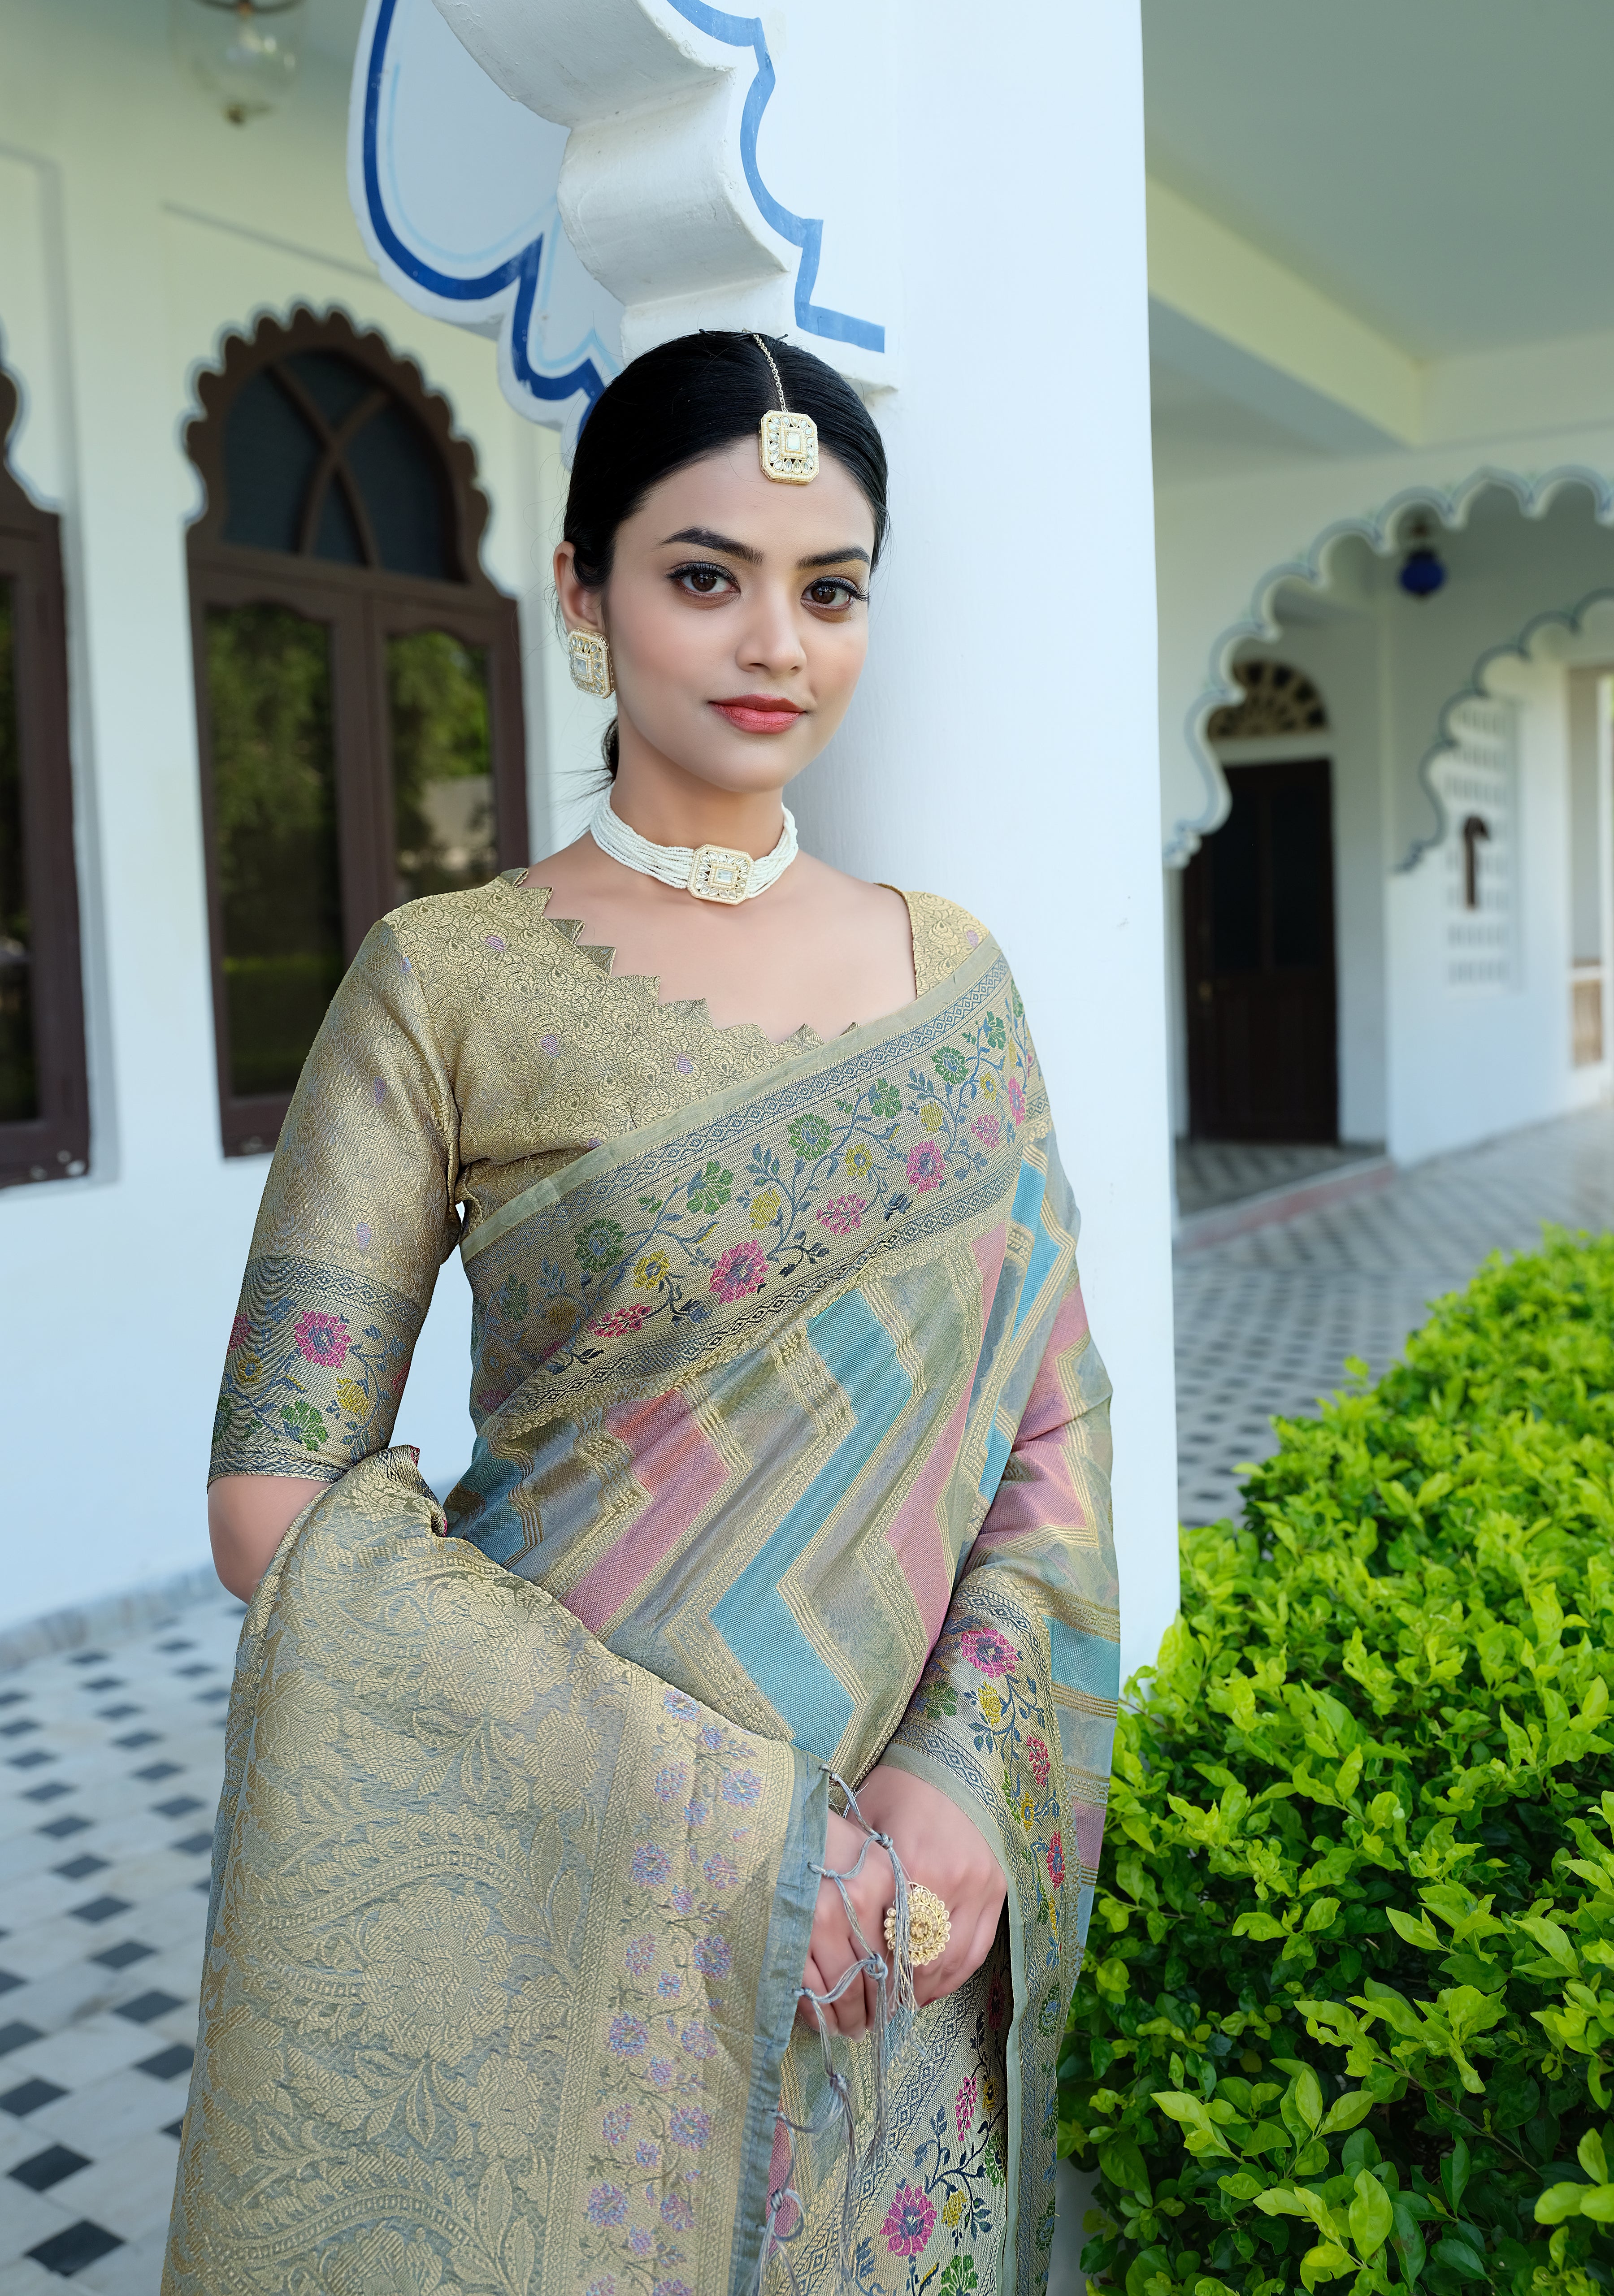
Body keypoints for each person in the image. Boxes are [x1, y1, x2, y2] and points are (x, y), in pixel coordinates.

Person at [166, 331, 1119, 2296]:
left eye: (829, 588)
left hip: (908, 1913)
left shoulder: (960, 986)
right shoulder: (447, 983)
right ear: (584, 594)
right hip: (578, 1873)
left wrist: (959, 1782)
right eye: (706, 575)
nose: (777, 639)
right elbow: (280, 1497)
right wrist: (729, 1823)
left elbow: (1050, 1425)